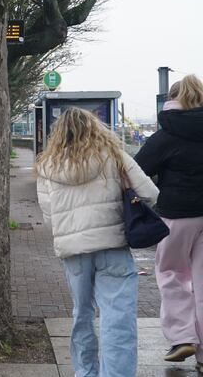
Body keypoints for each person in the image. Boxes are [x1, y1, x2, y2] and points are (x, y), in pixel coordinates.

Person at [37, 107, 158, 377]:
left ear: (58, 134)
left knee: (82, 315)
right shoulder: (115, 156)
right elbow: (150, 193)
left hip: (73, 252)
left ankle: (85, 372)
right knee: (118, 319)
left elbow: (49, 218)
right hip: (112, 247)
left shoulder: (47, 166)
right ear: (95, 127)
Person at [134, 74, 203, 368]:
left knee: (172, 272)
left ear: (173, 99)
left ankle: (183, 337)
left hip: (177, 214)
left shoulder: (167, 133)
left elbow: (138, 171)